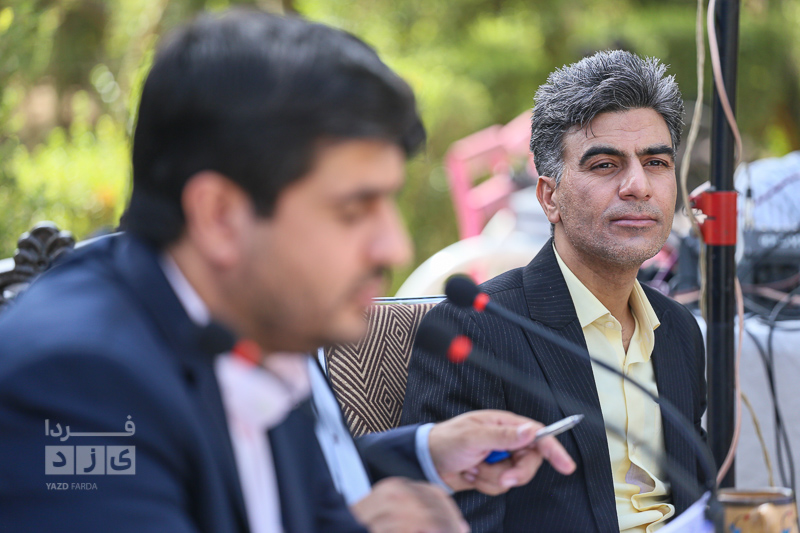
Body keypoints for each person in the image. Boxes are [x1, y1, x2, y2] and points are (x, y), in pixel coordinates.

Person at [0, 9, 575, 533]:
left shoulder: (258, 315)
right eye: (353, 209)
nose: (394, 246)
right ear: (219, 215)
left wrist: (424, 455)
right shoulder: (75, 381)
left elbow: (294, 498)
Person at [401, 50, 708, 533]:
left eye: (656, 162)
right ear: (549, 197)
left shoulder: (679, 329)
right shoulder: (479, 330)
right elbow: (454, 522)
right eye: (605, 164)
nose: (638, 185)